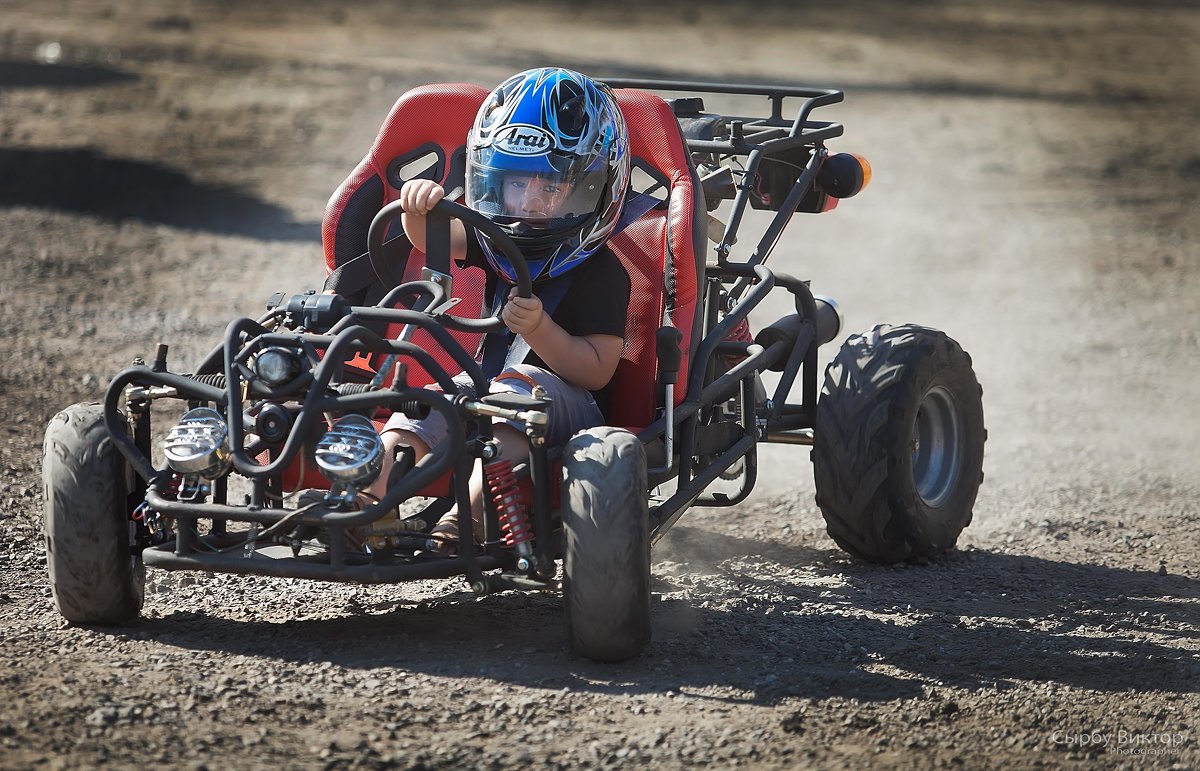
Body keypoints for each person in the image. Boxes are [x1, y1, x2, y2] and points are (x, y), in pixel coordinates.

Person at [364, 67, 632, 550]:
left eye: (550, 188)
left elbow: (596, 372)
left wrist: (540, 329)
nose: (529, 202)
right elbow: (432, 239)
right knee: (431, 402)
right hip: (489, 389)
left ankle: (472, 514)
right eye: (515, 184)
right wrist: (417, 208)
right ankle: (369, 497)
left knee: (511, 405)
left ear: (593, 189)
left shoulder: (604, 272)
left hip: (570, 410)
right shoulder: (496, 244)